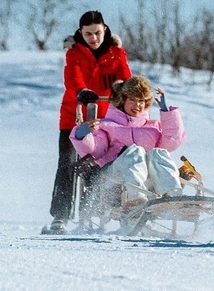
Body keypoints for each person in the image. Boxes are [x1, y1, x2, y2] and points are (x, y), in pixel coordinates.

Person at [47, 11, 132, 233]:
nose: (93, 38)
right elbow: (72, 77)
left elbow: (125, 79)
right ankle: (61, 217)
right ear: (80, 33)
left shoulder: (117, 54)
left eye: (96, 33)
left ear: (104, 29)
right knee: (67, 164)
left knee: (100, 166)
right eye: (88, 34)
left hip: (105, 121)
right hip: (74, 119)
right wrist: (81, 91)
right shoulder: (75, 53)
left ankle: (93, 212)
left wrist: (124, 92)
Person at [69, 75, 187, 210]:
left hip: (147, 181)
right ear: (122, 100)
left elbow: (172, 142)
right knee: (135, 151)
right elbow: (96, 150)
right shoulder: (107, 125)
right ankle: (136, 198)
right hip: (113, 179)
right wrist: (83, 134)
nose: (137, 105)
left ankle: (174, 196)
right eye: (132, 100)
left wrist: (167, 113)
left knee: (158, 152)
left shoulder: (153, 127)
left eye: (141, 101)